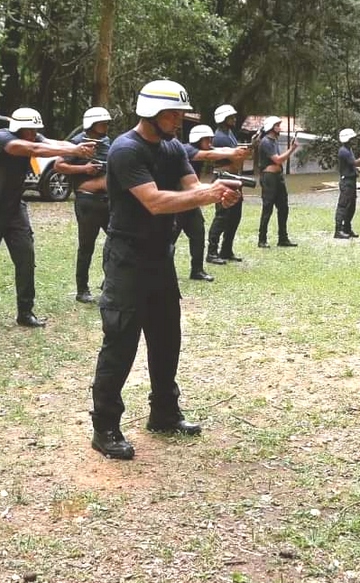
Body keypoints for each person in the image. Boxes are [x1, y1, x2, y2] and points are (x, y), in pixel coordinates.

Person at [89, 80, 241, 460]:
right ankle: (105, 427)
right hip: (127, 257)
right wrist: (207, 194)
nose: (179, 121)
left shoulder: (173, 147)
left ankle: (164, 413)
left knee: (166, 337)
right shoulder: (126, 150)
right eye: (173, 114)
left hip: (160, 255)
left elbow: (191, 185)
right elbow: (155, 201)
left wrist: (219, 193)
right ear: (151, 113)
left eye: (180, 115)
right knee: (120, 342)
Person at [0, 107, 95, 327]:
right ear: (18, 128)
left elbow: (54, 144)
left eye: (36, 130)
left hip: (14, 207)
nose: (34, 134)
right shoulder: (3, 138)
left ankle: (25, 312)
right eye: (30, 130)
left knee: (26, 258)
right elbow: (33, 148)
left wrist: (75, 148)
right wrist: (76, 151)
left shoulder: (33, 137)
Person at [53, 107, 112, 303]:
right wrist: (84, 169)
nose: (105, 126)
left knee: (117, 239)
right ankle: (82, 289)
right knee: (87, 245)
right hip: (87, 201)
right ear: (91, 124)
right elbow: (59, 165)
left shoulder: (106, 141)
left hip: (108, 200)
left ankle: (109, 281)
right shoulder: (77, 142)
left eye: (106, 123)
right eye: (102, 123)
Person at [178, 124, 248, 281]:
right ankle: (160, 272)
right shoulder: (187, 150)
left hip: (191, 199)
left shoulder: (200, 149)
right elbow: (208, 156)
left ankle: (197, 270)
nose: (210, 141)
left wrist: (234, 151)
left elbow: (218, 151)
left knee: (198, 233)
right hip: (177, 200)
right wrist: (233, 152)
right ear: (197, 139)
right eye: (207, 139)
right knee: (169, 239)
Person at [207, 104, 248, 263]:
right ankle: (212, 252)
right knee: (222, 217)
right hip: (224, 177)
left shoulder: (229, 133)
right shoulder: (220, 137)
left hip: (233, 177)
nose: (234, 119)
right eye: (231, 117)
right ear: (223, 119)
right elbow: (234, 157)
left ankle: (226, 249)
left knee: (235, 216)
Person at [257, 116, 298, 248]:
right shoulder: (266, 142)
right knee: (267, 208)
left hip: (277, 176)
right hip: (269, 178)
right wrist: (291, 149)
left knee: (283, 207)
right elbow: (278, 160)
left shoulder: (273, 141)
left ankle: (283, 238)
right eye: (278, 125)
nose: (280, 127)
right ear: (271, 127)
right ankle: (262, 239)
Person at [334, 128, 360, 239]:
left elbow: (351, 165)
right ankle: (338, 230)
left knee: (351, 206)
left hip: (351, 180)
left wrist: (357, 169)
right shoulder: (343, 151)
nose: (354, 140)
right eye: (352, 138)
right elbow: (355, 162)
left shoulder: (348, 150)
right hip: (346, 182)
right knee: (343, 205)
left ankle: (347, 228)